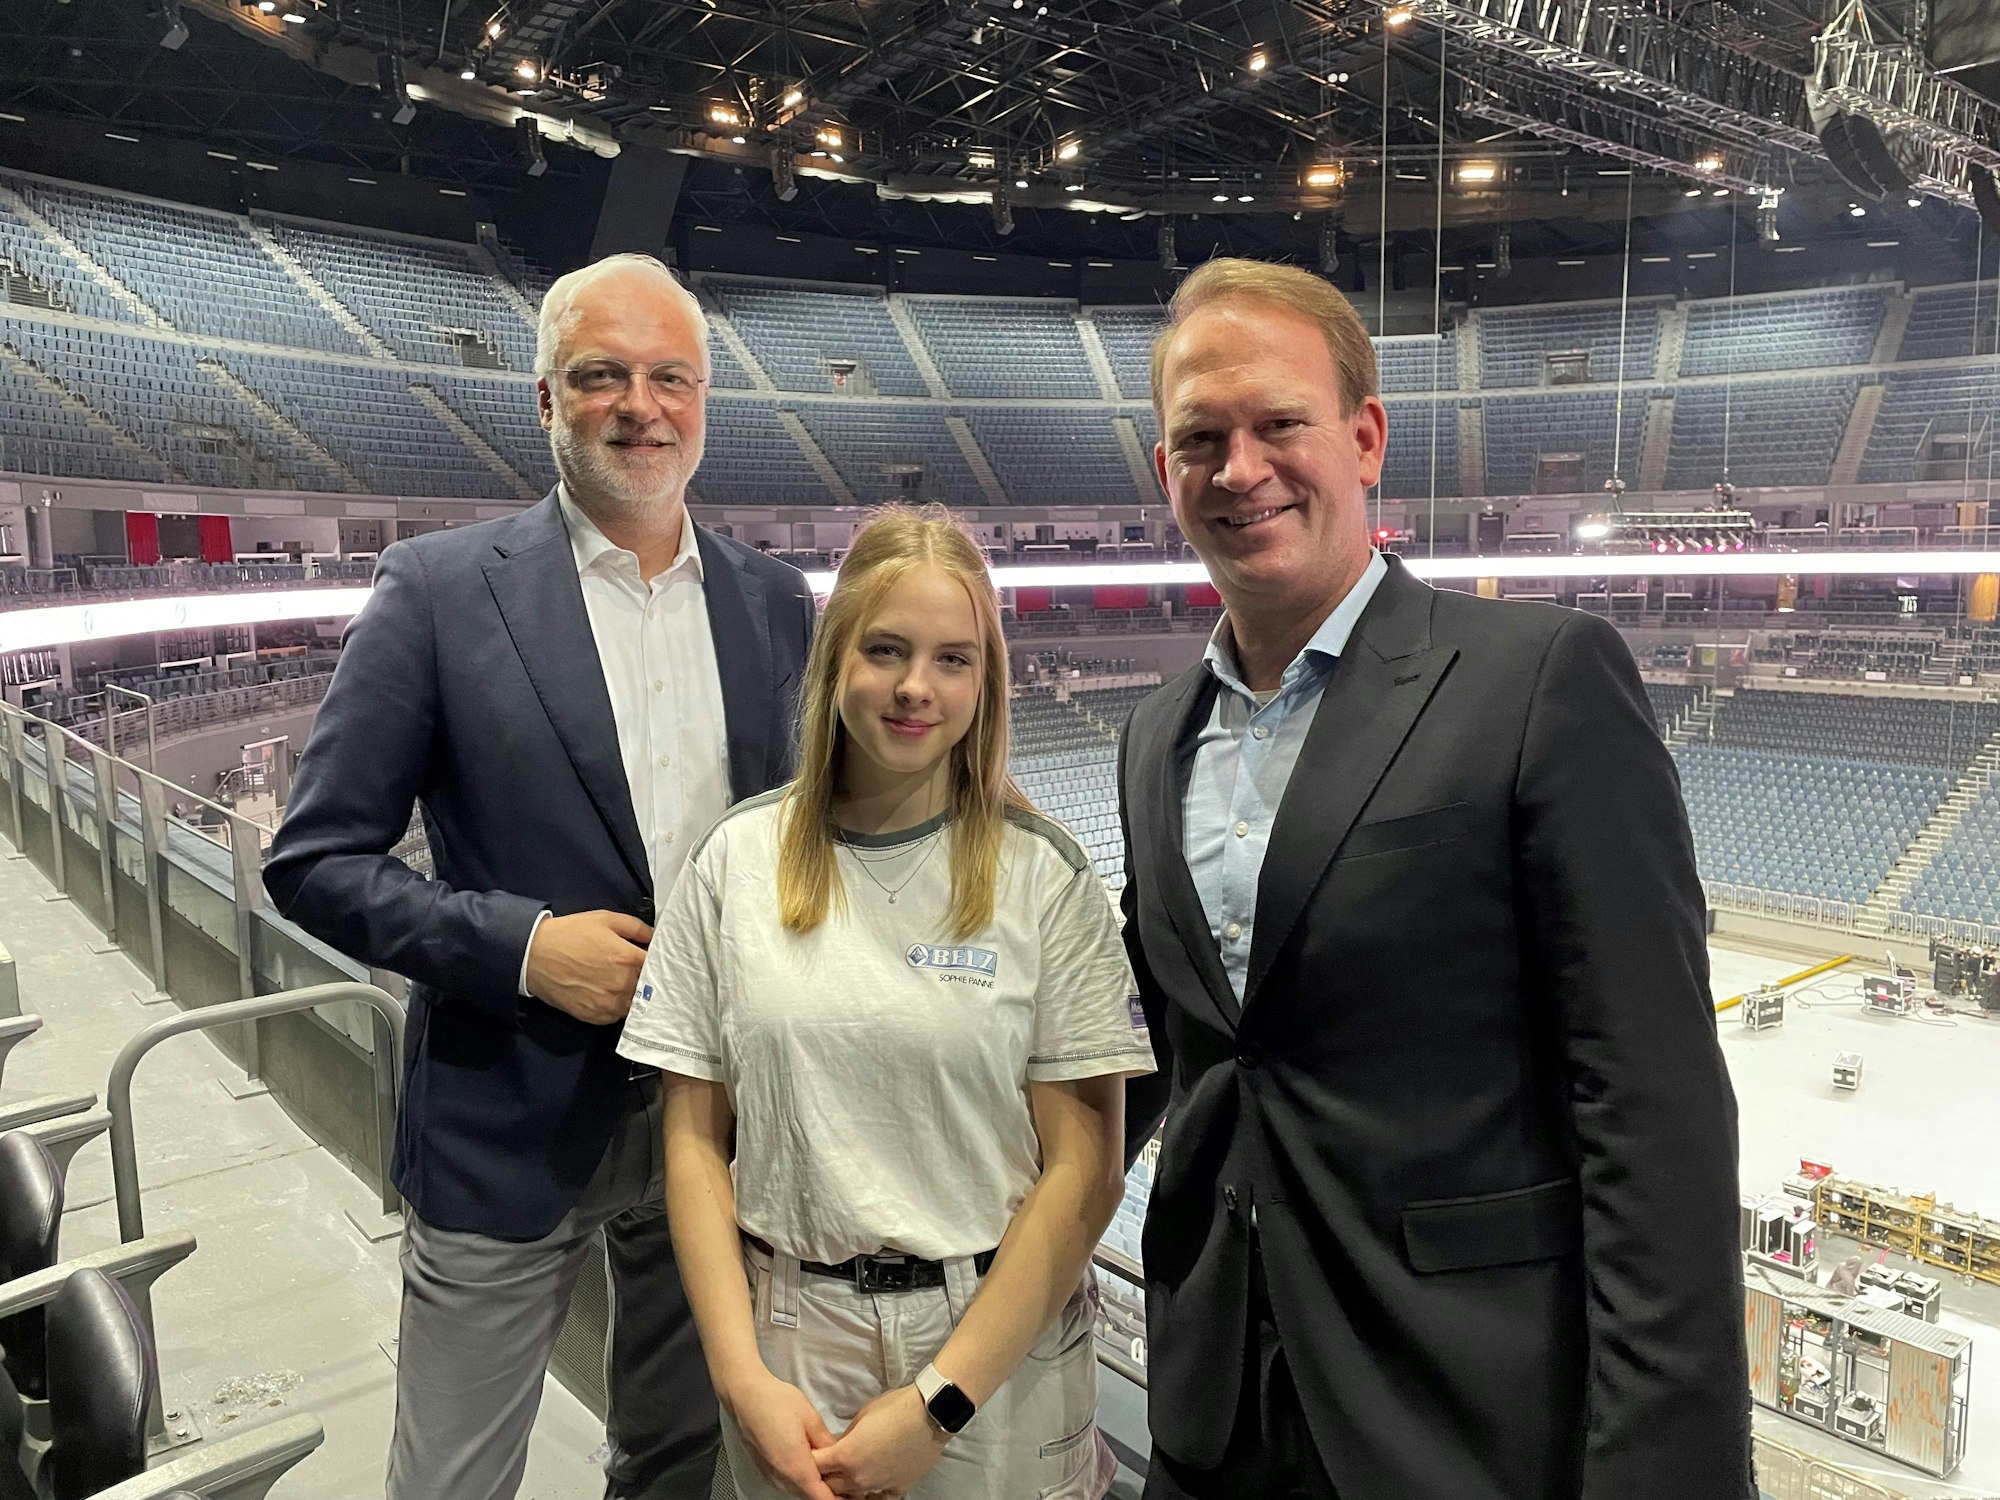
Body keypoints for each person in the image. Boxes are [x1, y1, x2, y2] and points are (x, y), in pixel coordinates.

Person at [1118, 257, 1752, 1500]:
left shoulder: (1539, 679)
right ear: (1164, 474)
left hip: (1461, 1420)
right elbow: (1177, 1060)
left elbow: (1652, 1109)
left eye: (1277, 424)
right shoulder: (1154, 735)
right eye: (1200, 437)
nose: (1239, 469)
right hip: (1212, 1414)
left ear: (1362, 440)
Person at [263, 253, 815, 1500]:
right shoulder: (438, 590)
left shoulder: (777, 603)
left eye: (670, 378)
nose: (641, 406)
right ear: (545, 402)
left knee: (674, 1460)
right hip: (507, 1114)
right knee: (454, 1477)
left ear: (704, 401)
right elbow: (311, 862)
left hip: (716, 1119)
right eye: (601, 377)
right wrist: (520, 948)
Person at [617, 505, 1154, 1500]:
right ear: (835, 661)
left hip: (995, 1341)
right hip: (789, 1335)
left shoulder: (1047, 878)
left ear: (984, 680)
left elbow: (1086, 1170)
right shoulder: (734, 861)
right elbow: (693, 1144)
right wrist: (742, 1379)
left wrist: (940, 1401)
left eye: (953, 659)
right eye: (886, 650)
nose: (916, 687)